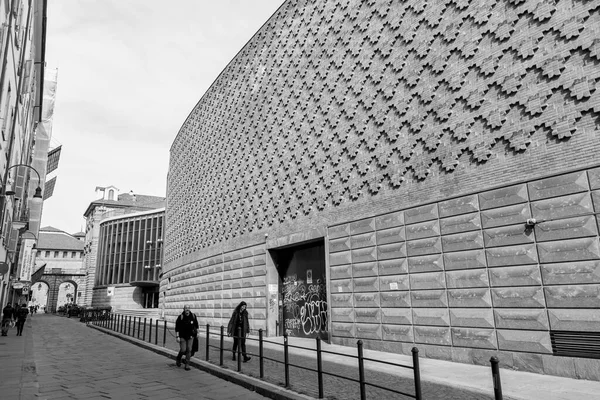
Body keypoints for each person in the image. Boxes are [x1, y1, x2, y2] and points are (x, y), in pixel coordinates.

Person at [175, 305, 198, 371]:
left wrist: (198, 333)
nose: (187, 309)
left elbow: (196, 325)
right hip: (182, 336)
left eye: (188, 308)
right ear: (184, 309)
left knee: (189, 349)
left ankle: (187, 364)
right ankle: (178, 358)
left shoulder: (193, 316)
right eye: (186, 308)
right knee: (183, 349)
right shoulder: (180, 317)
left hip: (191, 336)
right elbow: (177, 328)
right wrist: (177, 336)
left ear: (189, 309)